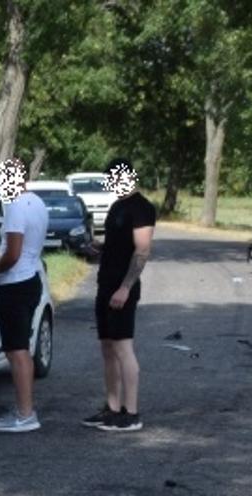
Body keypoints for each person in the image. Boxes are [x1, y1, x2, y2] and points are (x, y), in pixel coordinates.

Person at [82, 158, 156, 433]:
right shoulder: (117, 206)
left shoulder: (142, 209)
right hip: (105, 283)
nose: (110, 184)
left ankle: (131, 412)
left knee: (123, 348)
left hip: (123, 288)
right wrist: (99, 248)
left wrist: (125, 287)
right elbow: (118, 245)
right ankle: (112, 408)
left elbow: (142, 251)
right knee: (107, 348)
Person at [0, 158, 48, 434]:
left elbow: (13, 253)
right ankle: (24, 408)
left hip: (15, 284)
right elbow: (20, 247)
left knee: (17, 350)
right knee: (20, 348)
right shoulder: (37, 203)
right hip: (30, 277)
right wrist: (3, 255)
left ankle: (25, 413)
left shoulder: (15, 207)